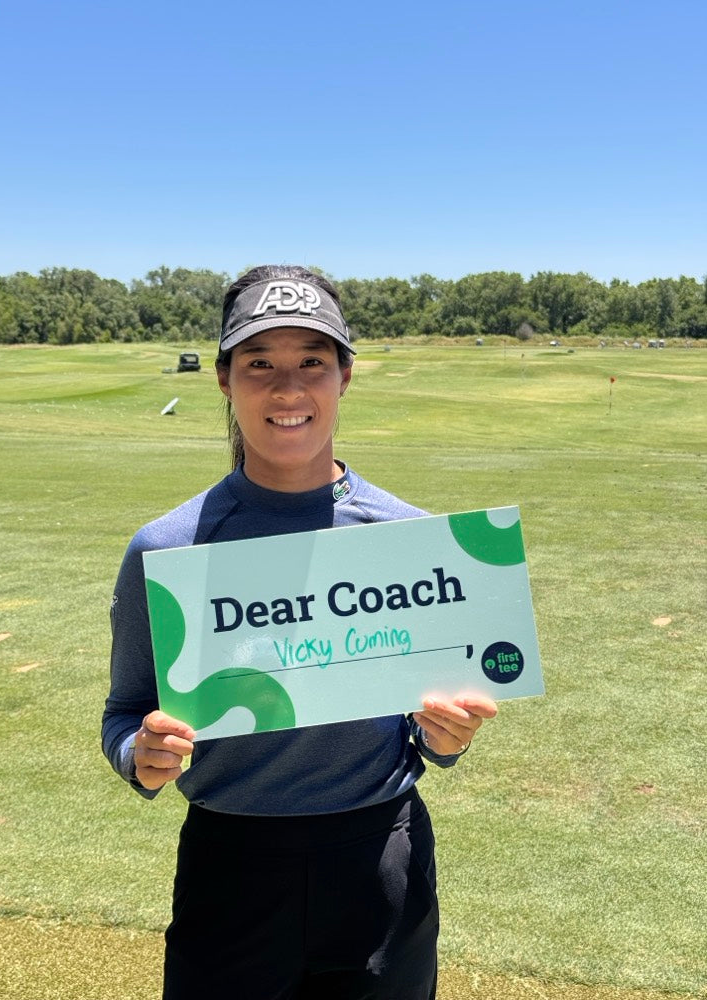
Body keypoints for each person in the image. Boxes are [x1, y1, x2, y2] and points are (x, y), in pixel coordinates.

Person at [102, 264, 497, 1000]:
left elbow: (429, 733)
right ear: (224, 379)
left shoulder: (410, 539)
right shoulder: (167, 548)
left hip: (381, 863)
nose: (288, 389)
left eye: (312, 361)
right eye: (259, 363)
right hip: (231, 866)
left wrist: (447, 737)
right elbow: (125, 712)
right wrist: (140, 755)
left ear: (345, 375)